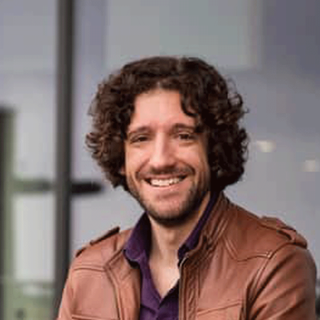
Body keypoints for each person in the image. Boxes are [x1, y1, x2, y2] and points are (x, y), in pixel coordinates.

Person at [57, 56, 317, 319]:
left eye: (183, 136)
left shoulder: (274, 263)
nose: (161, 159)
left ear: (213, 149)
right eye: (141, 138)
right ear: (121, 158)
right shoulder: (88, 272)